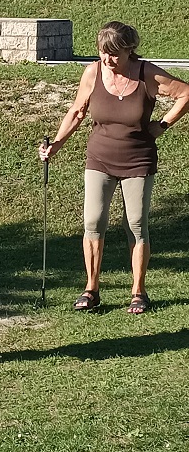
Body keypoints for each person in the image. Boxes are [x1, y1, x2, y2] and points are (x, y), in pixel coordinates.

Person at [39, 21, 189, 314]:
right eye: (103, 52)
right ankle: (91, 289)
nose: (108, 59)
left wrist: (162, 125)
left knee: (135, 224)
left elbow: (185, 93)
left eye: (114, 54)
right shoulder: (93, 72)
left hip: (138, 160)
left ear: (130, 50)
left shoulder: (147, 74)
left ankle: (138, 292)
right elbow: (77, 111)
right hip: (100, 158)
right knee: (93, 221)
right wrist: (55, 144)